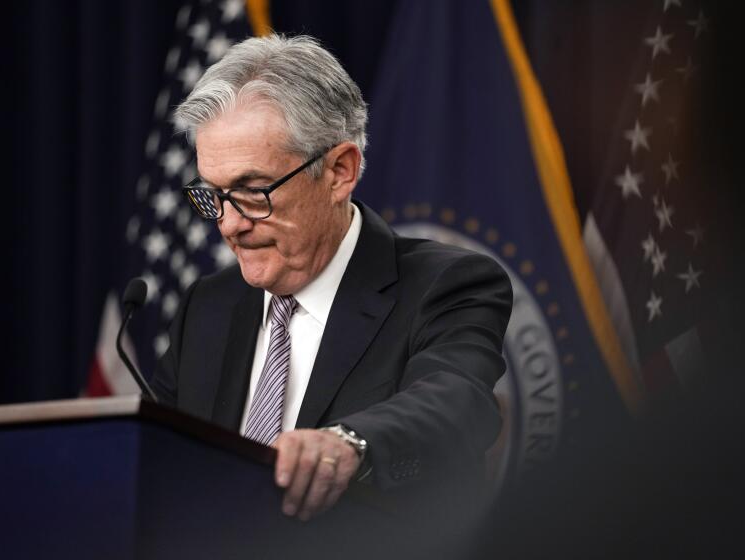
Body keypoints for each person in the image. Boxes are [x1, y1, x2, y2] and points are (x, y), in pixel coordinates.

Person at [151, 33, 512, 531]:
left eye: (254, 192)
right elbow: (155, 467)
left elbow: (458, 401)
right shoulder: (208, 306)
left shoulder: (445, 285)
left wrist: (348, 443)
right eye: (213, 195)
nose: (228, 224)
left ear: (340, 171)